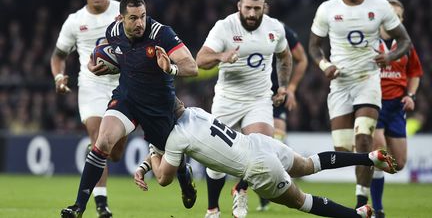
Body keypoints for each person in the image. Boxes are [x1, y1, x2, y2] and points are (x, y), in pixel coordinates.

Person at [60, 0, 198, 218]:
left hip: (158, 107)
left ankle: (183, 171)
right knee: (102, 141)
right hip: (127, 99)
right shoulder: (113, 31)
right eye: (133, 18)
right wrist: (95, 64)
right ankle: (79, 206)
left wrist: (170, 67)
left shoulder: (161, 33)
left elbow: (192, 67)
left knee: (163, 178)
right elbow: (105, 51)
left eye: (143, 16)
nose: (140, 23)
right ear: (121, 18)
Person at [134, 103, 398, 218]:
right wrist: (146, 162)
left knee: (301, 201)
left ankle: (357, 215)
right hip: (258, 142)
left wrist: (153, 158)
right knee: (308, 164)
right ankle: (368, 157)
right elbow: (164, 147)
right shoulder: (195, 112)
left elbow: (163, 177)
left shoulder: (176, 140)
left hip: (257, 168)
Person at [308, 0, 411, 209]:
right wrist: (325, 66)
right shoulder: (327, 8)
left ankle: (362, 205)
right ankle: (370, 163)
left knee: (364, 137)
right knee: (342, 149)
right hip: (340, 84)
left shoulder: (379, 5)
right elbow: (313, 45)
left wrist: (390, 56)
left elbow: (404, 40)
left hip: (367, 80)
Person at [196, 0, 292, 218]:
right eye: (247, 8)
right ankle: (213, 208)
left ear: (264, 7)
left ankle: (241, 188)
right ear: (239, 6)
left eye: (256, 9)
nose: (251, 14)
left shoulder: (274, 28)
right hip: (228, 99)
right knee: (216, 158)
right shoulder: (225, 27)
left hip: (259, 99)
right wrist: (221, 56)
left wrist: (283, 86)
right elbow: (200, 59)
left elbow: (285, 57)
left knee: (262, 150)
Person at [50, 0, 120, 216]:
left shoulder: (123, 11)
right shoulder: (75, 21)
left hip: (123, 85)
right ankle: (101, 204)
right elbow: (58, 56)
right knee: (97, 135)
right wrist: (59, 77)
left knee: (116, 152)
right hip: (92, 86)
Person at [370, 0, 423, 218]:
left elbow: (415, 74)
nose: (393, 18)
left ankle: (365, 163)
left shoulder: (406, 47)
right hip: (373, 103)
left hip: (396, 107)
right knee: (380, 154)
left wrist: (411, 95)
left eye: (398, 15)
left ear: (401, 20)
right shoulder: (369, 42)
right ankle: (378, 209)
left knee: (398, 164)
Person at [257, 25, 308, 212]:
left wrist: (291, 88)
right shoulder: (238, 30)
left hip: (275, 95)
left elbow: (302, 59)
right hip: (250, 96)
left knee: (277, 139)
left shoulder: (282, 31)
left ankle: (266, 189)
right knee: (253, 145)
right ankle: (254, 188)